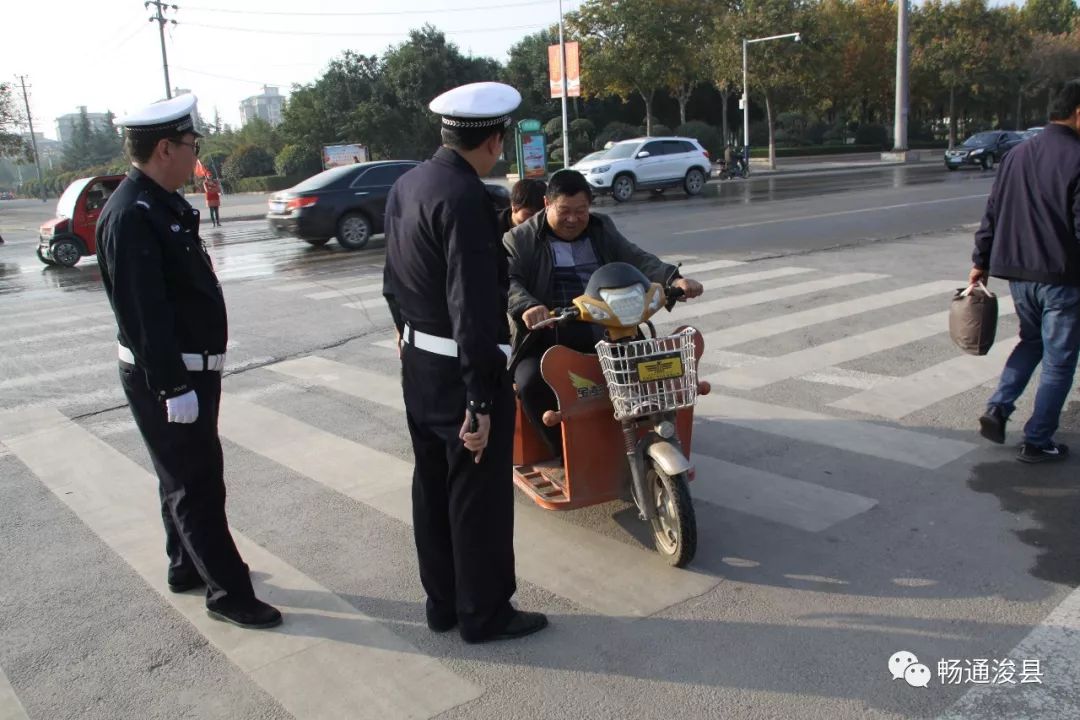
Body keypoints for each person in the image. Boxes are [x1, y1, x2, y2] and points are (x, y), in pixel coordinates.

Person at [96, 94, 281, 629]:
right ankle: (230, 594)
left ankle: (185, 565)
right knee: (197, 484)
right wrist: (172, 387)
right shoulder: (132, 214)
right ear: (163, 149)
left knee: (178, 476)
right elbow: (142, 313)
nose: (194, 155)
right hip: (170, 376)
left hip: (190, 370)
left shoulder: (159, 203)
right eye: (190, 145)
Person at [382, 81, 548, 643]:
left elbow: (392, 282)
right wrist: (480, 400)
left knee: (432, 485)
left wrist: (407, 337)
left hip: (420, 364)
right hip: (462, 371)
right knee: (477, 496)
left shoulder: (407, 184)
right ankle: (484, 614)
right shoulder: (469, 199)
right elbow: (472, 305)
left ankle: (443, 603)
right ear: (495, 140)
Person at [505, 169, 705, 456]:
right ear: (547, 203)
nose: (573, 219)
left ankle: (644, 438)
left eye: (581, 210)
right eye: (564, 211)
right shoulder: (520, 239)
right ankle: (564, 453)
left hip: (609, 324)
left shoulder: (601, 228)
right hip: (550, 331)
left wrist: (673, 278)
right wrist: (528, 305)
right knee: (529, 381)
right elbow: (508, 280)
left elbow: (636, 257)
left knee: (653, 371)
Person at [971, 79, 1080, 464]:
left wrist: (980, 262)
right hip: (1062, 278)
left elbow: (992, 214)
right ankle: (1037, 440)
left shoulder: (1016, 155)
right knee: (1059, 361)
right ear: (1078, 112)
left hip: (1018, 275)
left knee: (1030, 342)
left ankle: (999, 407)